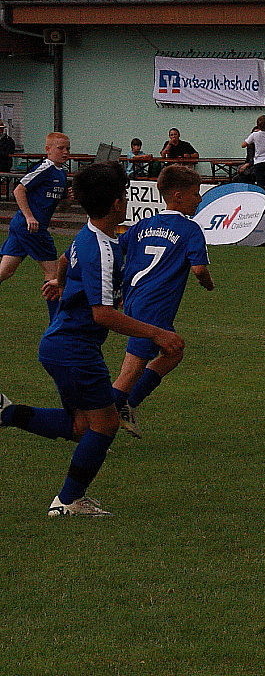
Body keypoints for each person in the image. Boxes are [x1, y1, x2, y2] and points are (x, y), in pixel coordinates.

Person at [0, 162, 183, 516]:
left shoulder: (89, 235)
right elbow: (103, 315)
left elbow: (65, 258)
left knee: (82, 425)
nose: (126, 200)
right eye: (124, 195)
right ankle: (69, 501)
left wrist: (60, 281)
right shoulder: (103, 250)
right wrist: (158, 332)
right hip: (75, 350)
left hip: (60, 345)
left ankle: (8, 413)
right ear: (116, 203)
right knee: (106, 424)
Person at [112, 165, 214, 437]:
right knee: (131, 371)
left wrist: (120, 289)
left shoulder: (143, 225)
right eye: (196, 194)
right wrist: (208, 283)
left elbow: (117, 252)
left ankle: (127, 404)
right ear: (178, 196)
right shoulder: (190, 229)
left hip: (135, 299)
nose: (199, 199)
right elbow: (199, 269)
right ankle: (95, 426)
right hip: (154, 306)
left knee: (174, 350)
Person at [0, 131, 71, 319]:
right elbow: (18, 190)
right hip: (31, 228)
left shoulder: (61, 173)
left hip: (22, 227)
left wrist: (69, 200)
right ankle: (56, 323)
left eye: (67, 149)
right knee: (53, 273)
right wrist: (29, 217)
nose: (65, 152)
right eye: (60, 148)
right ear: (48, 150)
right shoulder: (44, 168)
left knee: (5, 271)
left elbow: (61, 206)